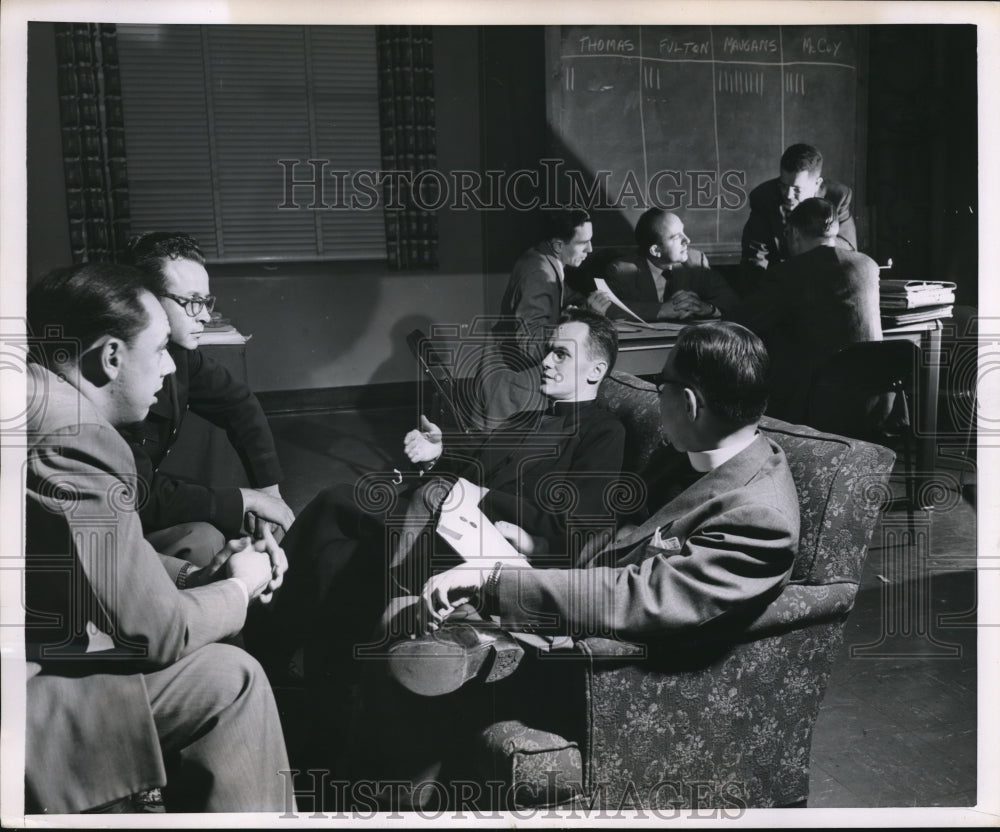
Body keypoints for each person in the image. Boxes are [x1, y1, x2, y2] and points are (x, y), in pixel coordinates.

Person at [363, 322, 800, 807]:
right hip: (567, 601)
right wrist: (529, 552)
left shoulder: (759, 516)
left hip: (604, 669)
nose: (658, 401)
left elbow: (637, 599)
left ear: (691, 404)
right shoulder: (705, 453)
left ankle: (411, 770)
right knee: (406, 622)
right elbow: (614, 542)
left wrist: (494, 580)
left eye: (662, 387)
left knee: (407, 644)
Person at [23, 263, 292, 813]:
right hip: (23, 694)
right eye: (161, 348)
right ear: (111, 357)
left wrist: (199, 578)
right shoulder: (80, 441)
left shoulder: (36, 395)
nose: (171, 368)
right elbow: (158, 634)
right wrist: (240, 588)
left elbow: (78, 558)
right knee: (231, 678)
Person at [256, 308, 626, 687]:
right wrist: (439, 452)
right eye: (549, 351)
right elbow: (475, 462)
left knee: (337, 514)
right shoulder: (525, 417)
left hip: (482, 539)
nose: (545, 361)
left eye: (561, 354)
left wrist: (488, 499)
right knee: (334, 538)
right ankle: (284, 655)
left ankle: (270, 644)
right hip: (444, 512)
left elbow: (577, 521)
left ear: (595, 371)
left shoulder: (602, 432)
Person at [122, 232, 294, 571]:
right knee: (206, 541)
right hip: (113, 520)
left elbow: (239, 404)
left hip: (141, 501)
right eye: (191, 301)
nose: (204, 316)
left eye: (206, 301)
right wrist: (246, 499)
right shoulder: (118, 374)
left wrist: (268, 492)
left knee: (237, 528)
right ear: (145, 301)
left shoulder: (180, 356)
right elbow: (135, 492)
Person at [728, 197, 882, 423]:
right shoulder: (868, 265)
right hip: (873, 400)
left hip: (814, 405)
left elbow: (740, 322)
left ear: (793, 233)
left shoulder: (787, 273)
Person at [476, 208, 594, 426]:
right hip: (515, 390)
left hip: (511, 378)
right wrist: (586, 318)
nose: (590, 249)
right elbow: (530, 345)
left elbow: (564, 294)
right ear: (558, 245)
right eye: (583, 243)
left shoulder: (543, 258)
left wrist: (587, 304)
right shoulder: (539, 273)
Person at [741, 143, 857, 292]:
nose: (788, 195)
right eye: (783, 185)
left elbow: (848, 249)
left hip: (826, 284)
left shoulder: (838, 196)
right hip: (781, 285)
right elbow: (754, 259)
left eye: (797, 189)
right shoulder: (764, 197)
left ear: (817, 184)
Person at [591, 209, 738, 322]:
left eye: (683, 231)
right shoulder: (622, 270)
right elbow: (606, 308)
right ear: (655, 250)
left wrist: (706, 308)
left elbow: (731, 300)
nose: (687, 240)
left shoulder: (695, 261)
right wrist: (661, 310)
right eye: (675, 237)